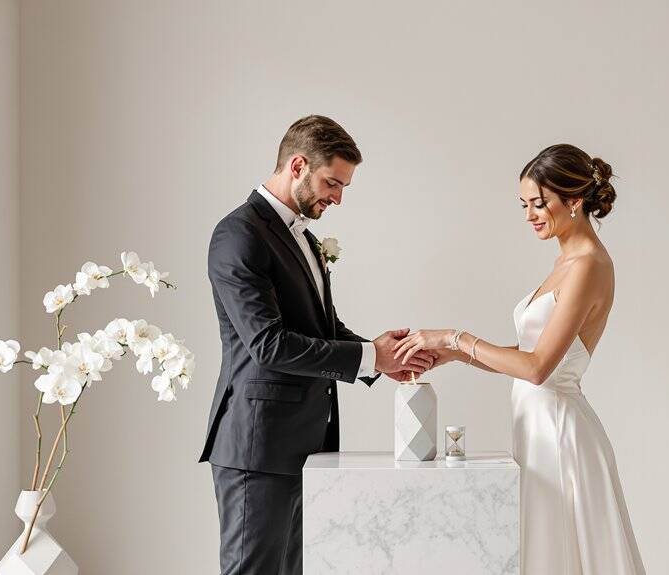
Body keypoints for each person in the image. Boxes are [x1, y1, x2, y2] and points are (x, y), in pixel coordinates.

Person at [394, 144, 646, 574]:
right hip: (537, 426)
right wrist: (454, 354)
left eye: (539, 204)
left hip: (560, 433)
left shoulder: (588, 265)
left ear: (574, 201)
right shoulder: (565, 262)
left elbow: (538, 368)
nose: (529, 215)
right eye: (524, 205)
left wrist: (458, 336)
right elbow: (529, 356)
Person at [200, 115, 435, 575]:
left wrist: (378, 355)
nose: (338, 198)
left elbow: (319, 326)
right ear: (298, 165)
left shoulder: (303, 237)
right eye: (332, 183)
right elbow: (268, 344)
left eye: (343, 187)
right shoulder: (239, 234)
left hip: (303, 442)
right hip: (258, 445)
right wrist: (369, 356)